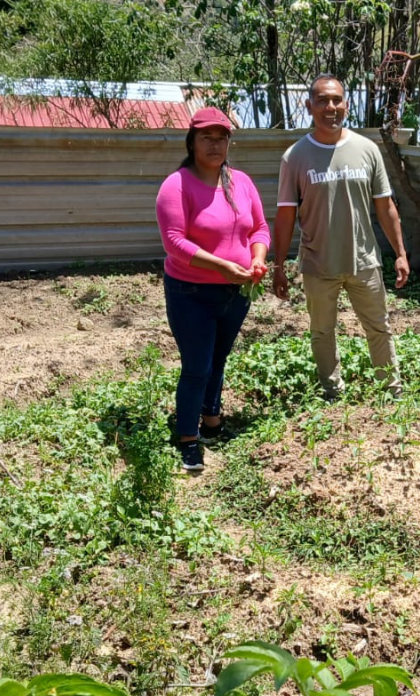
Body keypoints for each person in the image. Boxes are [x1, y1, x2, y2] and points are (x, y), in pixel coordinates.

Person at [272, 73, 410, 400]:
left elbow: (386, 207)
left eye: (336, 100)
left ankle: (391, 394)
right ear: (309, 106)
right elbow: (286, 215)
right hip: (318, 263)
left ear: (346, 104)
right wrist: (278, 266)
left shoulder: (367, 150)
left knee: (379, 328)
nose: (330, 107)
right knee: (322, 331)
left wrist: (401, 253)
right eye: (322, 100)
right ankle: (332, 393)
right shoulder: (295, 157)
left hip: (365, 261)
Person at [156, 107, 270, 471]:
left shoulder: (241, 182)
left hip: (236, 293)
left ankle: (211, 416)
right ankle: (188, 437)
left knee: (218, 358)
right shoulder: (176, 185)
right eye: (207, 137)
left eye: (222, 138)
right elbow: (174, 242)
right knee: (197, 365)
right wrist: (221, 265)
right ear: (191, 142)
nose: (215, 144)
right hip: (191, 292)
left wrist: (257, 258)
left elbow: (260, 229)